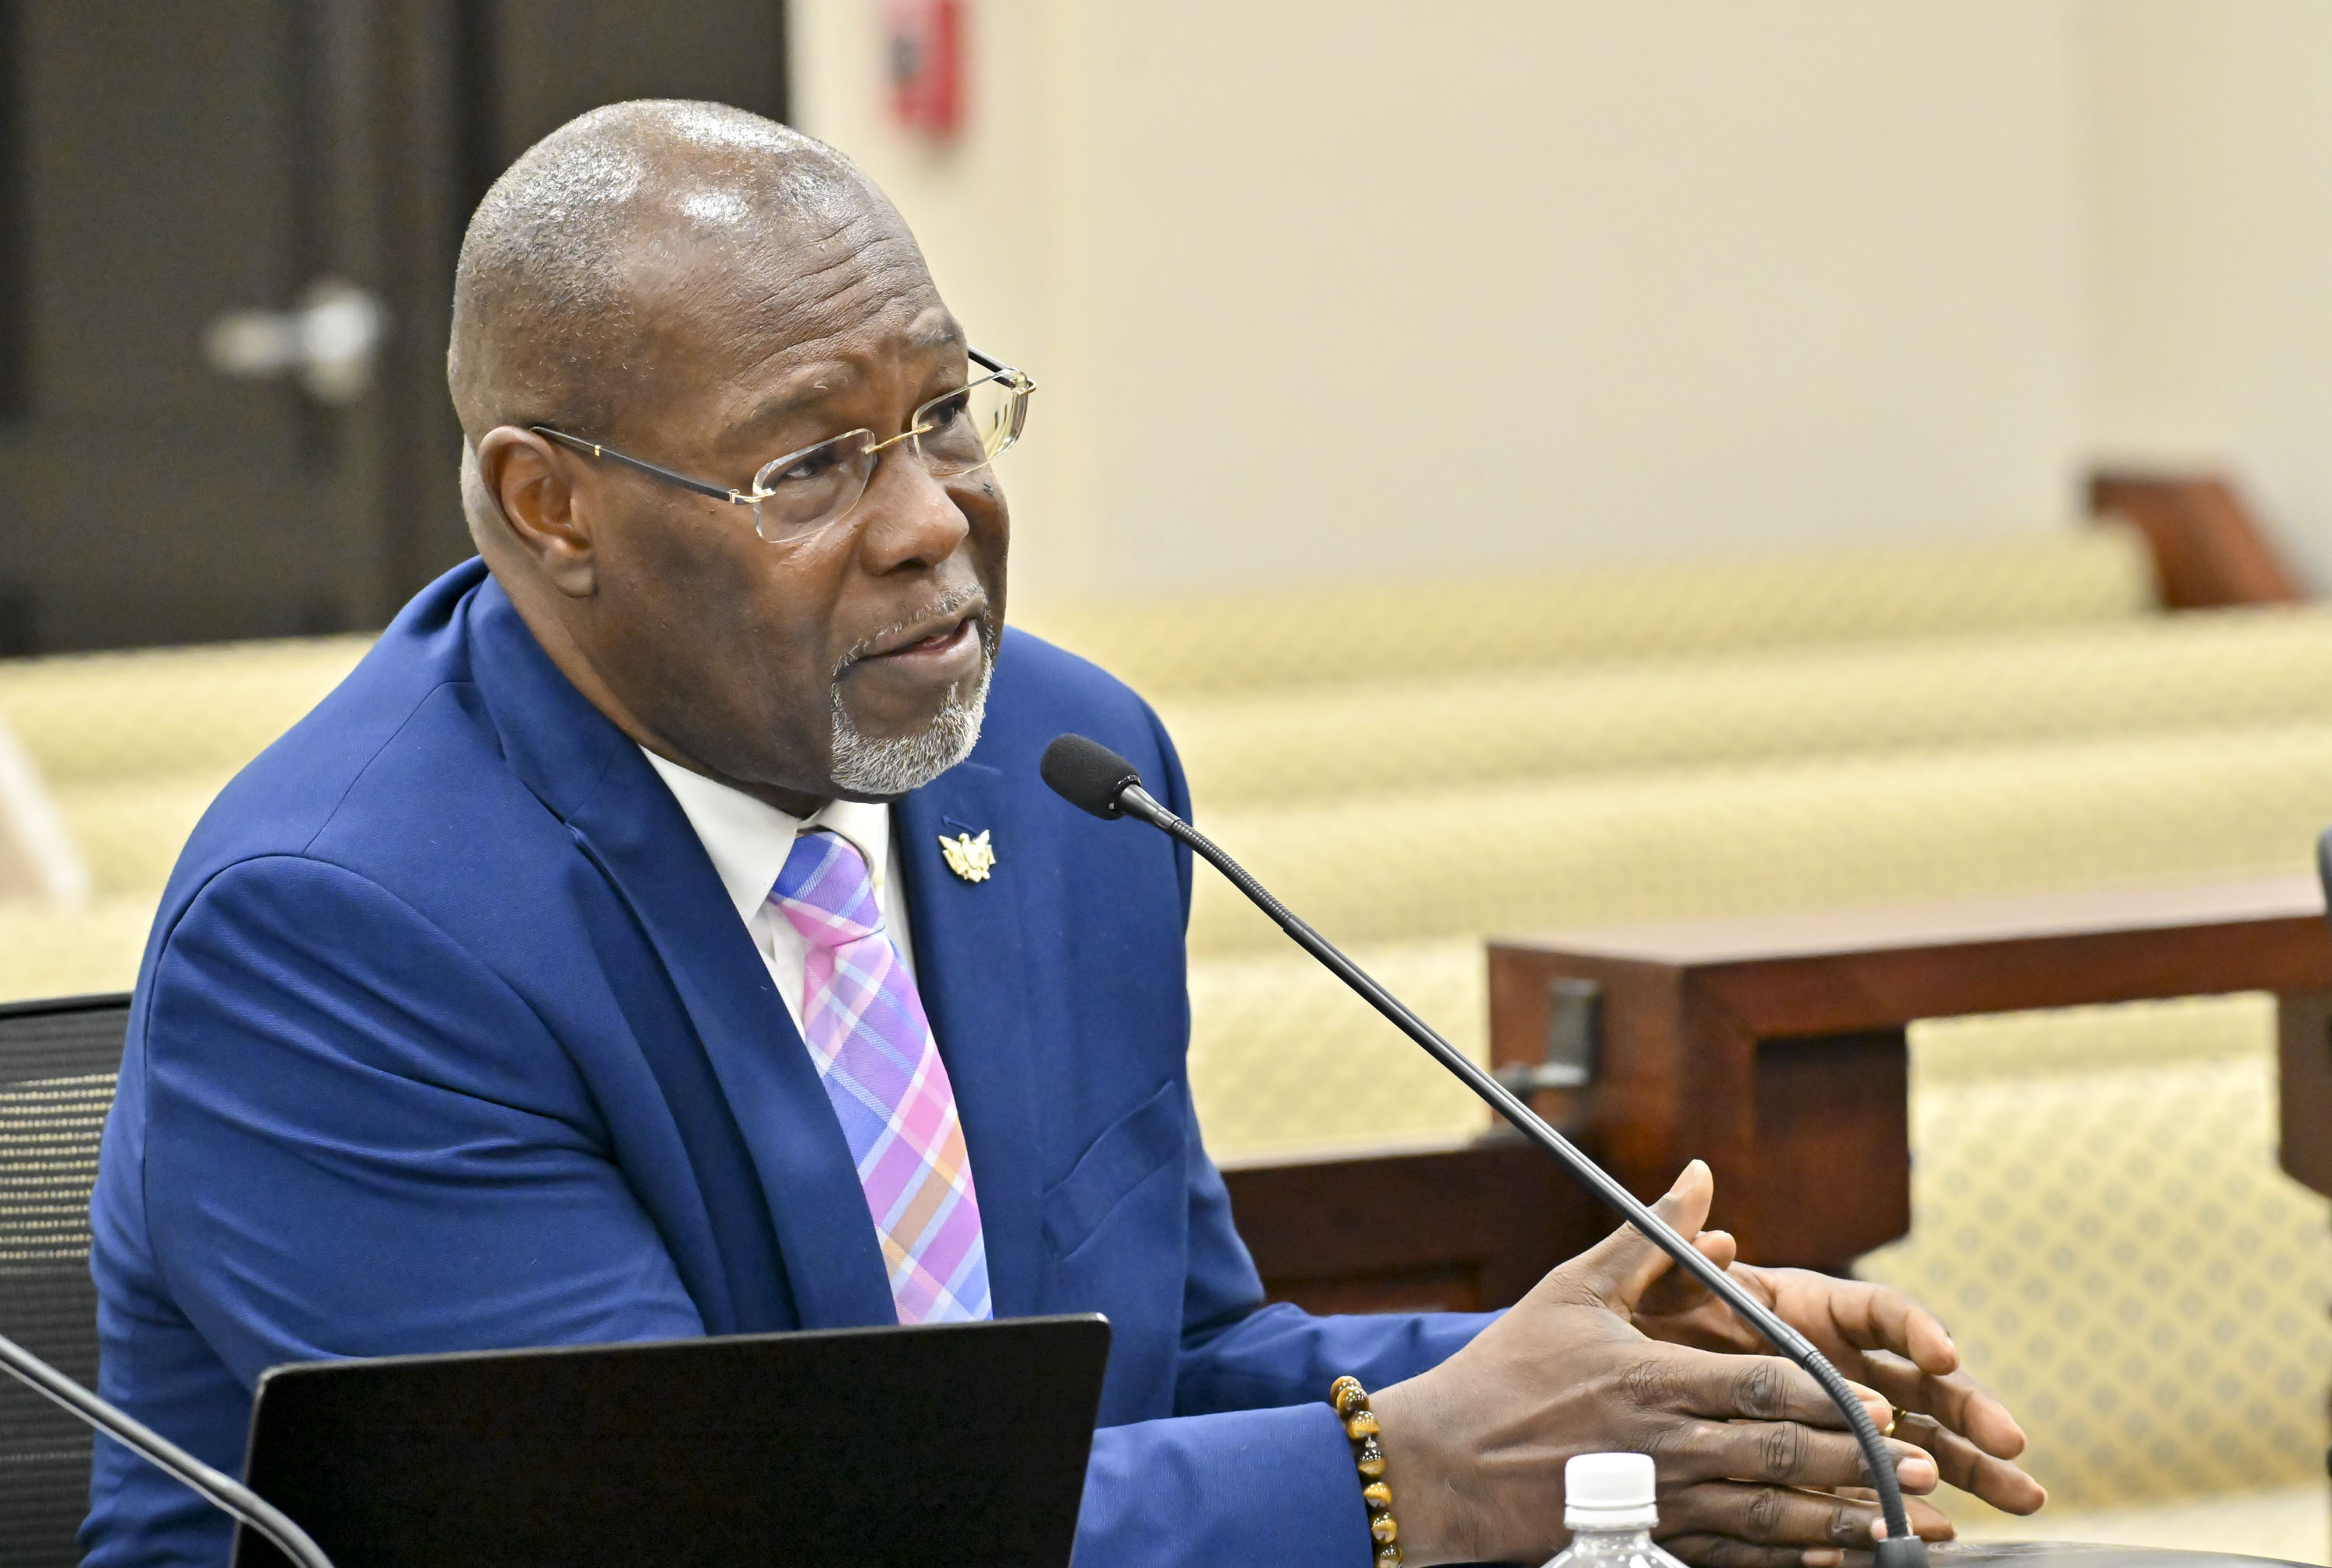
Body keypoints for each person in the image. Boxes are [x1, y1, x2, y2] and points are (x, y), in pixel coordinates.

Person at [82, 100, 2043, 1567]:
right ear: (551, 508)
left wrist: (1623, 1389)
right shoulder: (344, 929)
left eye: (947, 412)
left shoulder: (1058, 770)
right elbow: (674, 1535)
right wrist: (1421, 1475)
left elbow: (1162, 1370)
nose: (933, 516)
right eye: (811, 463)